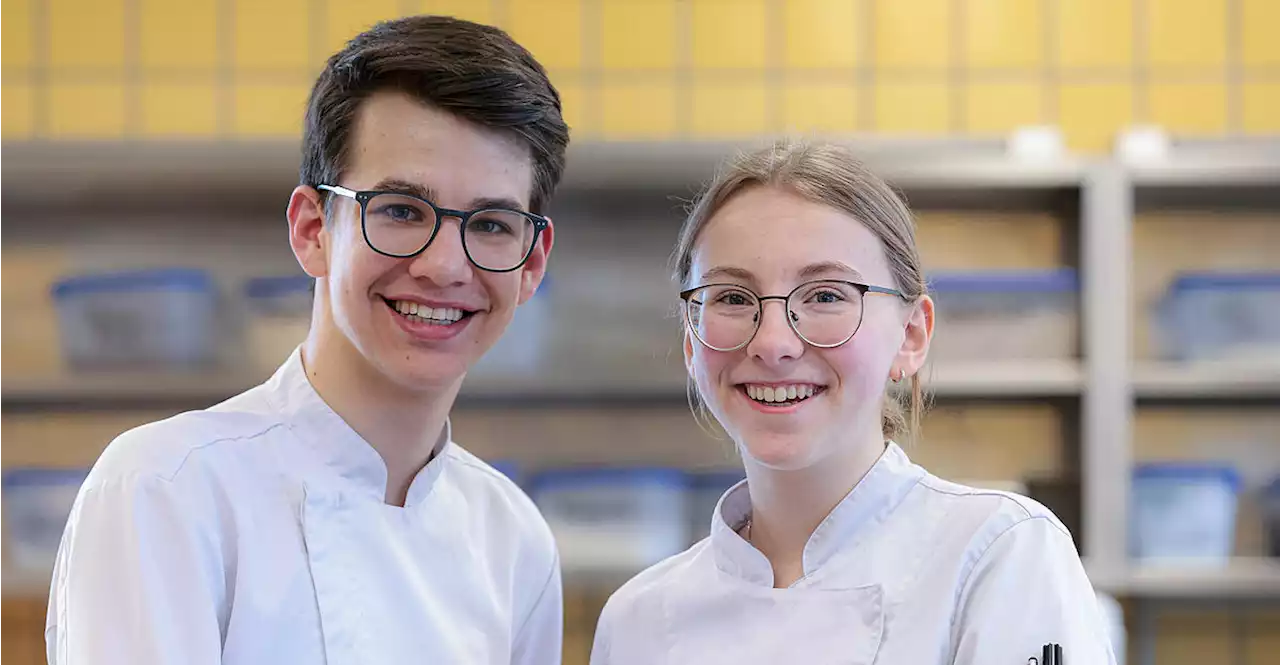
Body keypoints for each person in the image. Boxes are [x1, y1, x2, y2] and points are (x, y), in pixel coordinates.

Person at [46, 15, 568, 665]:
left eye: (491, 224)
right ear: (312, 229)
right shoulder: (167, 489)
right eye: (401, 211)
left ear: (532, 264)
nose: (443, 265)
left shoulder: (513, 539)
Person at [588, 139, 1117, 664]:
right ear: (690, 341)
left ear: (911, 335)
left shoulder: (999, 555)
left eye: (825, 296)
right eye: (731, 298)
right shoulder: (637, 619)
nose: (772, 343)